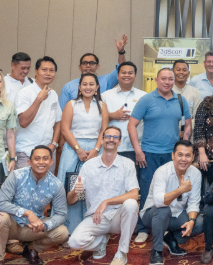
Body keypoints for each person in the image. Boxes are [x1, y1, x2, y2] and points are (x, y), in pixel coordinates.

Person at [129, 65, 192, 242]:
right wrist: (138, 150)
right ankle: (143, 228)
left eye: (170, 79)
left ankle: (164, 226)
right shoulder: (146, 100)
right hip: (149, 154)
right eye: (163, 78)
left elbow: (188, 125)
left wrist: (185, 143)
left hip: (173, 156)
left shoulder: (180, 100)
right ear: (156, 80)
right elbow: (131, 125)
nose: (167, 82)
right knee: (147, 191)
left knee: (170, 191)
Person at [68, 126, 140, 265]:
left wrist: (106, 202)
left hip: (118, 217)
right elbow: (70, 200)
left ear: (120, 142)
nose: (111, 139)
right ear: (101, 140)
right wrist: (74, 192)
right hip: (96, 217)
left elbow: (134, 194)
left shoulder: (127, 164)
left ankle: (122, 252)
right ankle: (100, 242)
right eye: (107, 136)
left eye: (115, 137)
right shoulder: (88, 165)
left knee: (131, 204)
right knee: (74, 242)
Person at [0, 145, 69, 265]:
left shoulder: (56, 184)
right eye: (37, 158)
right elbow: (0, 204)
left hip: (34, 229)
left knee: (62, 232)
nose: (41, 162)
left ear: (51, 162)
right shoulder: (16, 176)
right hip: (11, 224)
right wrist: (27, 213)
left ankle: (32, 249)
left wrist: (45, 225)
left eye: (45, 158)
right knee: (0, 218)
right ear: (29, 162)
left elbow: (61, 214)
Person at [59, 73, 109, 233]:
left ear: (97, 87)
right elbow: (65, 129)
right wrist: (78, 149)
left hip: (95, 149)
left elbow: (104, 131)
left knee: (92, 188)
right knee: (72, 187)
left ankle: (91, 230)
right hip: (73, 148)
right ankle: (68, 230)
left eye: (91, 84)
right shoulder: (71, 104)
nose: (88, 87)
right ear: (79, 87)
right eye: (85, 84)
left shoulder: (102, 105)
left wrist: (96, 150)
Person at [139, 140, 203, 260]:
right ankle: (156, 251)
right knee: (163, 209)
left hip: (177, 215)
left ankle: (171, 238)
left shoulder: (196, 174)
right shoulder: (162, 172)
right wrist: (180, 190)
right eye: (180, 155)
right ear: (173, 155)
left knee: (200, 222)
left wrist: (191, 221)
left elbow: (194, 202)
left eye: (188, 155)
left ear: (192, 157)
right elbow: (159, 202)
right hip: (153, 215)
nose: (183, 159)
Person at [14, 57, 62, 168]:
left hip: (48, 153)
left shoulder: (53, 94)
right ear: (36, 71)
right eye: (44, 70)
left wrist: (54, 144)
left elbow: (58, 121)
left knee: (47, 180)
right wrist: (39, 99)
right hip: (27, 152)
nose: (48, 73)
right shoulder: (24, 93)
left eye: (51, 70)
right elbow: (23, 122)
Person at [58, 35, 128, 108]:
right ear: (79, 67)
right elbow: (61, 112)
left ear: (97, 66)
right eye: (85, 63)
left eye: (92, 63)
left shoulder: (106, 81)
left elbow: (122, 70)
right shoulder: (69, 87)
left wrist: (121, 52)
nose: (88, 66)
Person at [100, 62, 147, 163]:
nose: (127, 75)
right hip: (112, 146)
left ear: (135, 76)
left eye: (130, 73)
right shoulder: (105, 96)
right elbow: (97, 119)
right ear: (117, 75)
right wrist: (112, 116)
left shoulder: (144, 96)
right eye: (123, 72)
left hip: (136, 148)